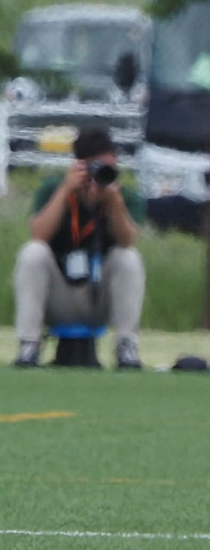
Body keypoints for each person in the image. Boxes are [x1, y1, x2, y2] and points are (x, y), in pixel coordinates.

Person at [13, 125, 147, 369]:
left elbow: (128, 239)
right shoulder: (55, 188)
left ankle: (126, 346)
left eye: (110, 166)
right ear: (80, 165)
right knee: (32, 252)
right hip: (60, 292)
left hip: (101, 293)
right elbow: (38, 234)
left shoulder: (124, 196)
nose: (103, 173)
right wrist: (66, 191)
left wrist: (114, 204)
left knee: (128, 257)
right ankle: (29, 344)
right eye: (97, 166)